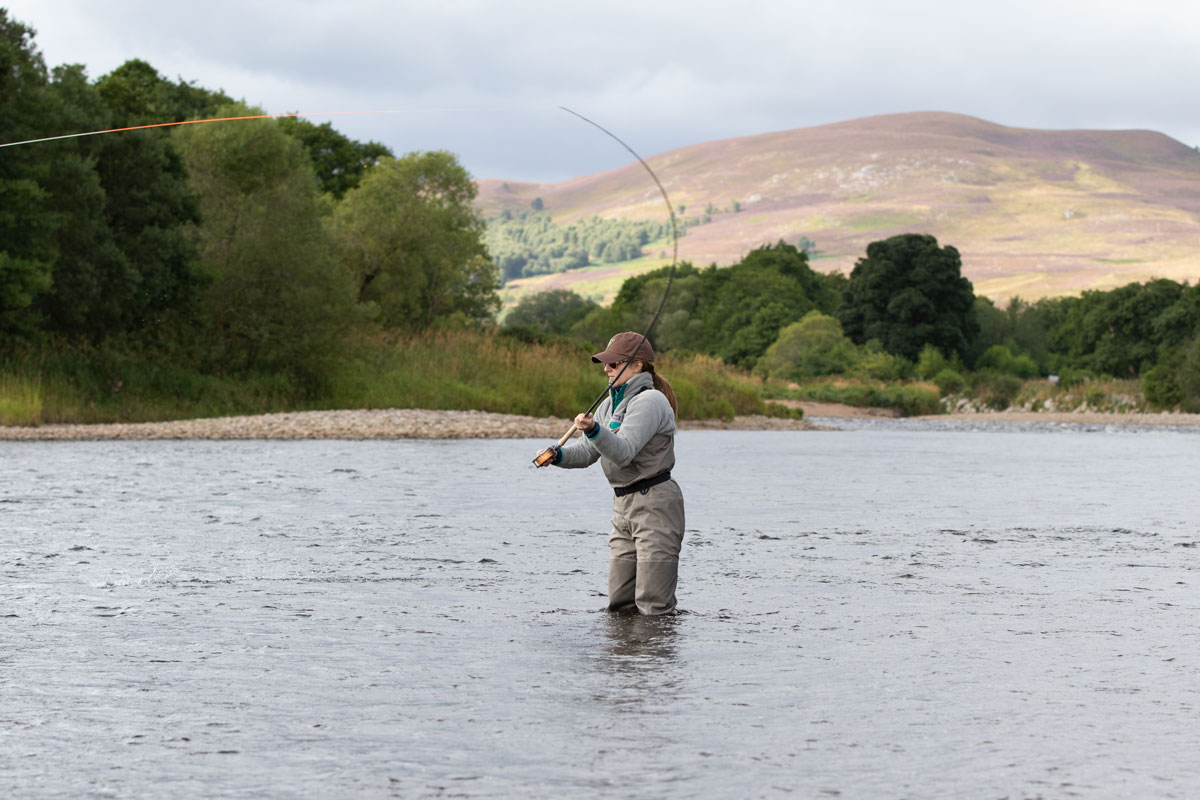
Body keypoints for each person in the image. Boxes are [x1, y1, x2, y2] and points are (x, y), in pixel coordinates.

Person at [535, 332, 685, 615]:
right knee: (620, 605)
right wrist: (558, 456)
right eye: (605, 363)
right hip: (623, 506)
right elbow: (589, 453)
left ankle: (656, 659)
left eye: (614, 363)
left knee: (654, 606)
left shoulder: (650, 401)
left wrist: (593, 430)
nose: (606, 369)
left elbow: (624, 450)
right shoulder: (607, 405)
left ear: (638, 365)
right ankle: (622, 659)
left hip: (656, 504)